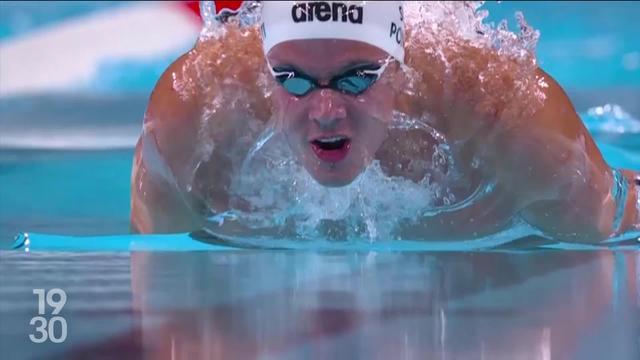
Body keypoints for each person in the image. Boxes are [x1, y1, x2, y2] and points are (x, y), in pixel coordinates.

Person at [130, 1, 639, 243]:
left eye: (356, 79)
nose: (326, 111)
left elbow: (610, 226)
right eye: (294, 79)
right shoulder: (191, 119)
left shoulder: (506, 115)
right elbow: (161, 271)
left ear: (401, 70)